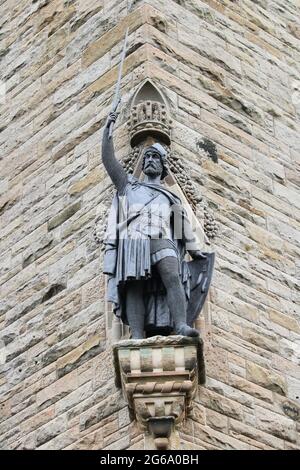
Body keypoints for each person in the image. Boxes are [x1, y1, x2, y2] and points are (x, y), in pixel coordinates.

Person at [102, 112, 209, 339]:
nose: (150, 160)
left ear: (162, 166)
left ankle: (180, 324)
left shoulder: (169, 197)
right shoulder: (128, 186)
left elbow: (183, 228)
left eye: (155, 158)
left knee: (172, 275)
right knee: (134, 286)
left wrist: (195, 252)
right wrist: (108, 132)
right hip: (135, 240)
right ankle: (138, 335)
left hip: (162, 239)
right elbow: (109, 162)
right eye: (147, 157)